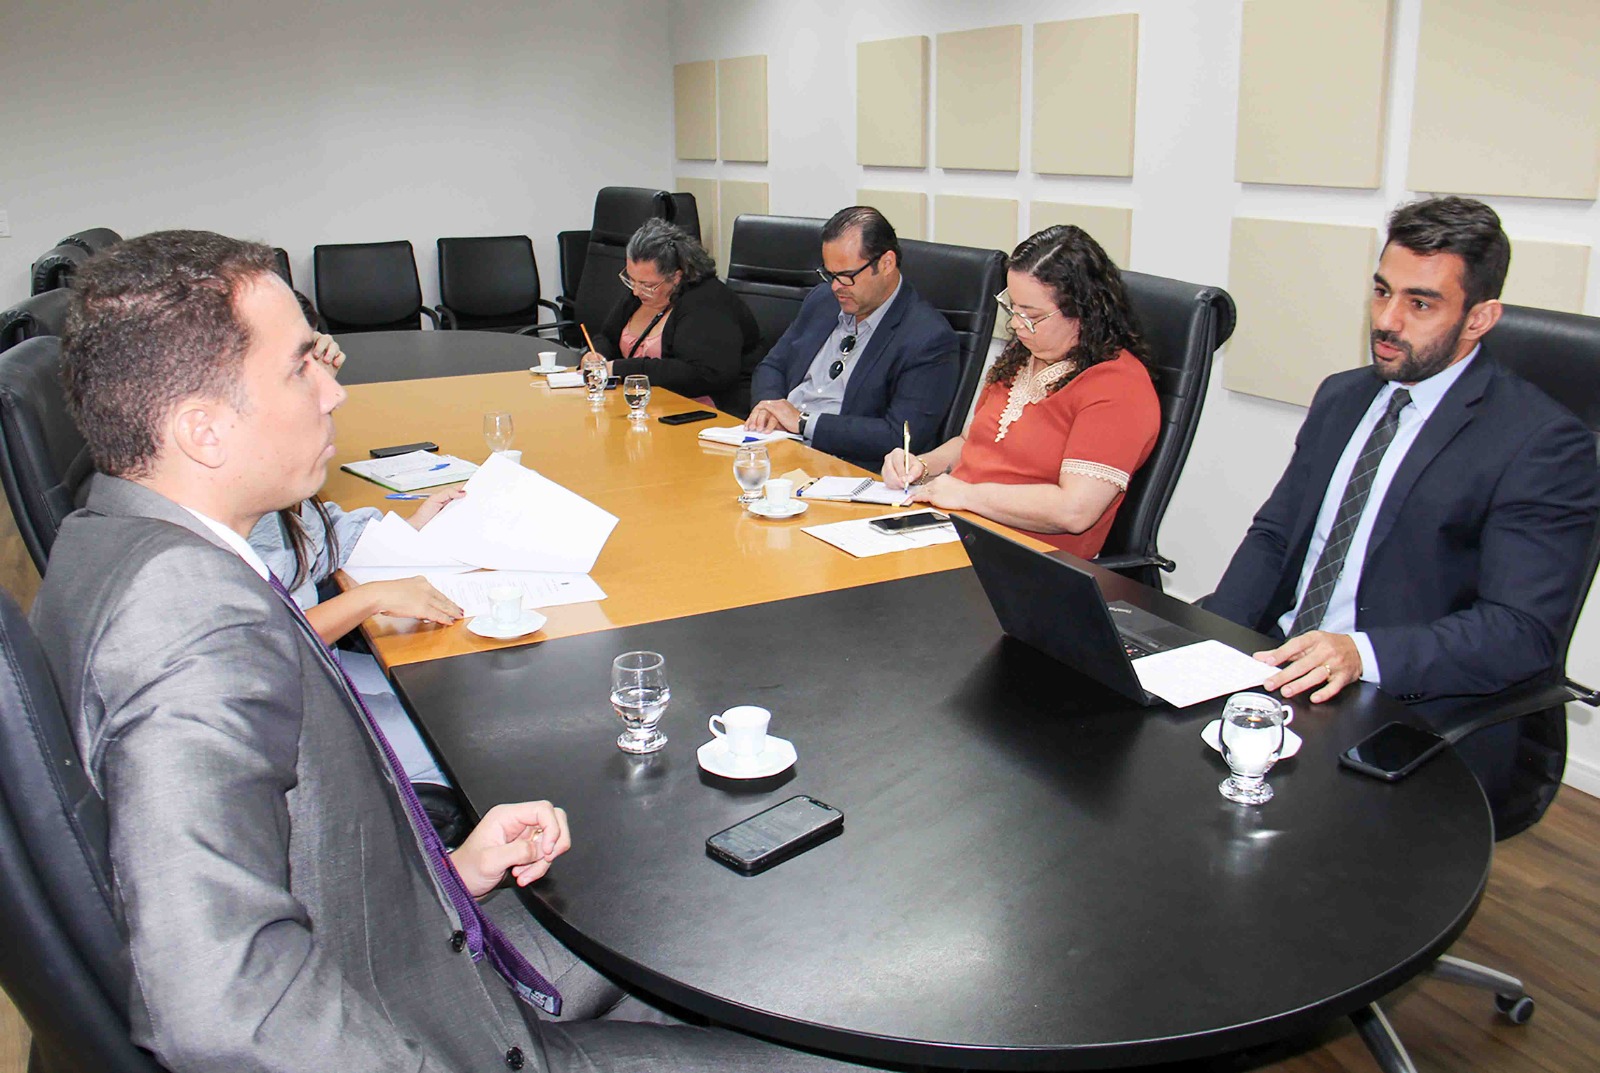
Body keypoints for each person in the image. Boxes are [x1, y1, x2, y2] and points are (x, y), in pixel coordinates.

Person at [30, 230, 868, 1072]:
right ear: (202, 429)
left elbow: (294, 847)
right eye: (299, 369)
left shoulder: (108, 538)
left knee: (700, 913)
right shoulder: (185, 616)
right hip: (423, 1028)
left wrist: (451, 871)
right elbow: (223, 1006)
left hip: (411, 937)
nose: (332, 389)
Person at [1206, 196, 1600, 833]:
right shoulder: (1343, 396)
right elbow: (1276, 537)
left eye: (1421, 304)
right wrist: (1211, 643)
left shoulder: (1541, 442)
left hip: (1406, 704)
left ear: (1479, 318)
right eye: (1382, 291)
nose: (1387, 321)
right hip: (1286, 667)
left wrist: (1358, 653)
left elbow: (1520, 631)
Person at [879, 225, 1159, 558]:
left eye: (1031, 315)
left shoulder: (1117, 387)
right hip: (955, 531)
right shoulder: (1022, 356)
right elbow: (970, 443)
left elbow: (1074, 511)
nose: (1015, 324)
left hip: (1025, 558)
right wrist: (920, 466)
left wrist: (966, 495)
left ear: (1084, 311)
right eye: (1013, 308)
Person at [745, 206, 960, 468]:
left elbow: (900, 436)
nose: (836, 287)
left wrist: (803, 422)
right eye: (830, 274)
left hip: (842, 467)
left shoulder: (928, 338)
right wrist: (769, 407)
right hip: (777, 446)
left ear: (886, 263)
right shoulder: (822, 301)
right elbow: (772, 365)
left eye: (846, 276)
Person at [581, 218, 763, 414]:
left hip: (705, 411)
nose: (636, 291)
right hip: (645, 404)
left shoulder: (708, 302)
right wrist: (597, 355)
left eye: (647, 285)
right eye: (631, 280)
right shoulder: (640, 294)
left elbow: (703, 374)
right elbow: (607, 337)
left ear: (676, 277)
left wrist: (620, 369)